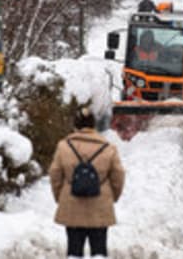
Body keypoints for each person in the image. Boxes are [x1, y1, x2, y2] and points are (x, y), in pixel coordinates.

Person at [49, 106, 125, 259]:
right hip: (100, 206)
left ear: (76, 125)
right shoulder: (108, 148)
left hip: (72, 205)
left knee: (74, 250)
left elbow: (55, 174)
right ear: (93, 125)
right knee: (99, 250)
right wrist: (112, 197)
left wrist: (60, 197)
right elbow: (118, 175)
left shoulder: (64, 146)